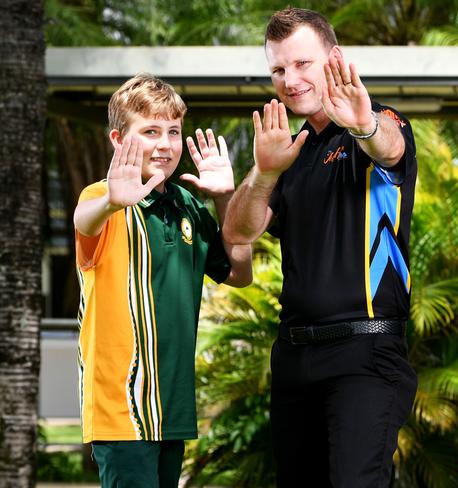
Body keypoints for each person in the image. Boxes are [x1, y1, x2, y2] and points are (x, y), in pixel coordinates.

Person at [222, 7, 418, 488]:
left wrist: (364, 124)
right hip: (294, 357)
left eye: (302, 64)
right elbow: (240, 232)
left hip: (365, 354)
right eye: (278, 69)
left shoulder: (380, 122)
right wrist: (266, 172)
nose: (290, 80)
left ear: (333, 57)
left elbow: (388, 147)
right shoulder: (287, 150)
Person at [73, 73, 252, 487]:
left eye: (173, 131)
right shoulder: (99, 199)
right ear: (118, 139)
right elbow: (85, 222)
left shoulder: (187, 203)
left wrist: (224, 198)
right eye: (150, 131)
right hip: (122, 411)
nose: (165, 144)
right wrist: (111, 202)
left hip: (172, 409)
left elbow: (240, 273)